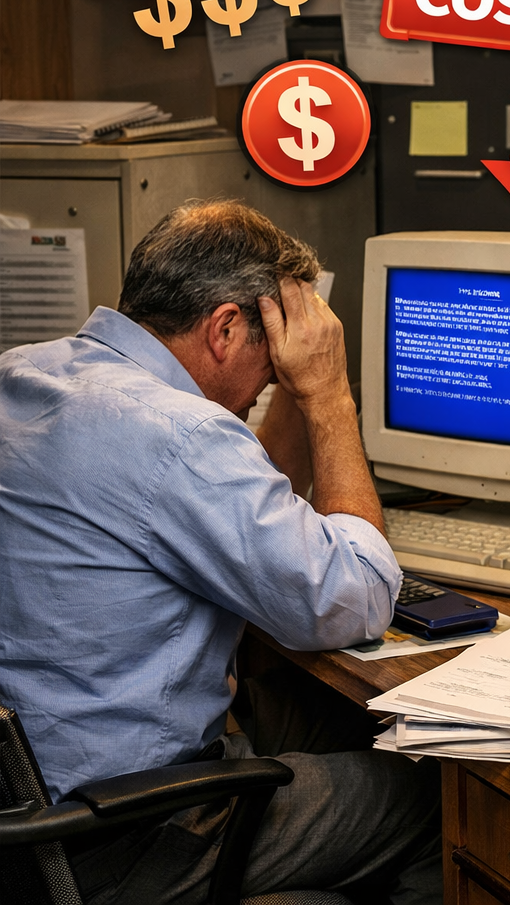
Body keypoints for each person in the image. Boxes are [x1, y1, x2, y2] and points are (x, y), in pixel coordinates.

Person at [0, 199, 440, 903]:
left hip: (26, 818)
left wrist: (291, 388)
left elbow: (239, 510)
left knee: (317, 719)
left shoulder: (25, 374)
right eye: (267, 367)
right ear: (226, 328)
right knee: (435, 794)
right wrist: (330, 398)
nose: (273, 382)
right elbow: (354, 600)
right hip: (127, 836)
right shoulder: (177, 434)